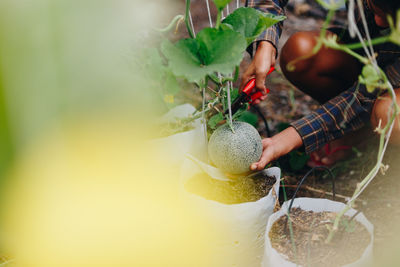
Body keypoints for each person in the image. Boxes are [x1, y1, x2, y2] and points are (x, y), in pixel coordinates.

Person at [241, 0, 400, 170]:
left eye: (393, 18)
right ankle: (356, 131)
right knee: (301, 51)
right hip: (368, 57)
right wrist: (265, 43)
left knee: (391, 114)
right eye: (373, 7)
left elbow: (367, 95)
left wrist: (292, 137)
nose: (379, 22)